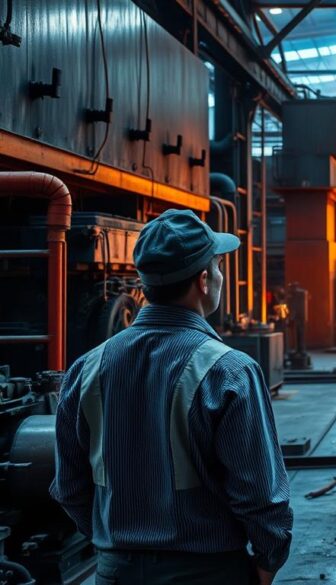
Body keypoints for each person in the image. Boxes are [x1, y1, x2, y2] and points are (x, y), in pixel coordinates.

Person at [50, 209, 293, 584]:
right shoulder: (229, 370)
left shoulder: (86, 369)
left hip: (115, 573)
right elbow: (261, 496)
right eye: (217, 266)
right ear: (203, 280)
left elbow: (69, 487)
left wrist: (118, 548)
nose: (220, 275)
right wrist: (267, 562)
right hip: (208, 573)